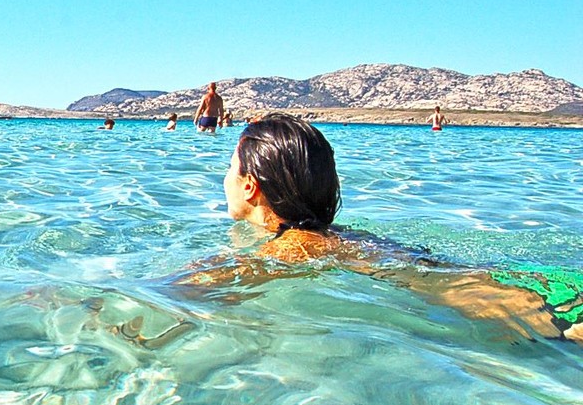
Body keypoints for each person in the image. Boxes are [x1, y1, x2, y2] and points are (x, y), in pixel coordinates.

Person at [185, 112, 580, 342]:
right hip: (536, 291)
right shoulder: (338, 238)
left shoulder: (293, 247)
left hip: (534, 312)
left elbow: (176, 297)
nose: (225, 178)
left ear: (250, 185)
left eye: (230, 168)